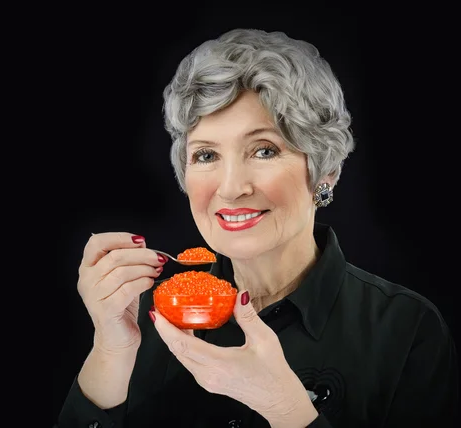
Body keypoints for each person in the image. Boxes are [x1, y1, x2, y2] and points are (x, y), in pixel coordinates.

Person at [55, 28, 459, 427]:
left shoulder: (406, 331)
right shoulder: (146, 316)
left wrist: (289, 412)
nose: (231, 188)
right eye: (206, 155)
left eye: (264, 150)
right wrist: (111, 351)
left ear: (326, 170)